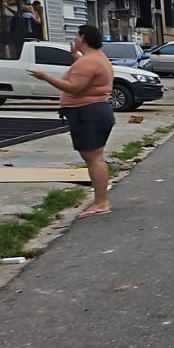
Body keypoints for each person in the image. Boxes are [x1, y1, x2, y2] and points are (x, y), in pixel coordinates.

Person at [29, 24, 115, 217]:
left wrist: (45, 77)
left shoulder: (88, 62)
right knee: (96, 157)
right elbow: (87, 73)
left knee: (93, 159)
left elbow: (74, 87)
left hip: (87, 113)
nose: (74, 39)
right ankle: (101, 200)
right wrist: (75, 55)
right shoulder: (96, 58)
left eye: (77, 36)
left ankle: (101, 202)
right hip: (96, 111)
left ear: (83, 37)